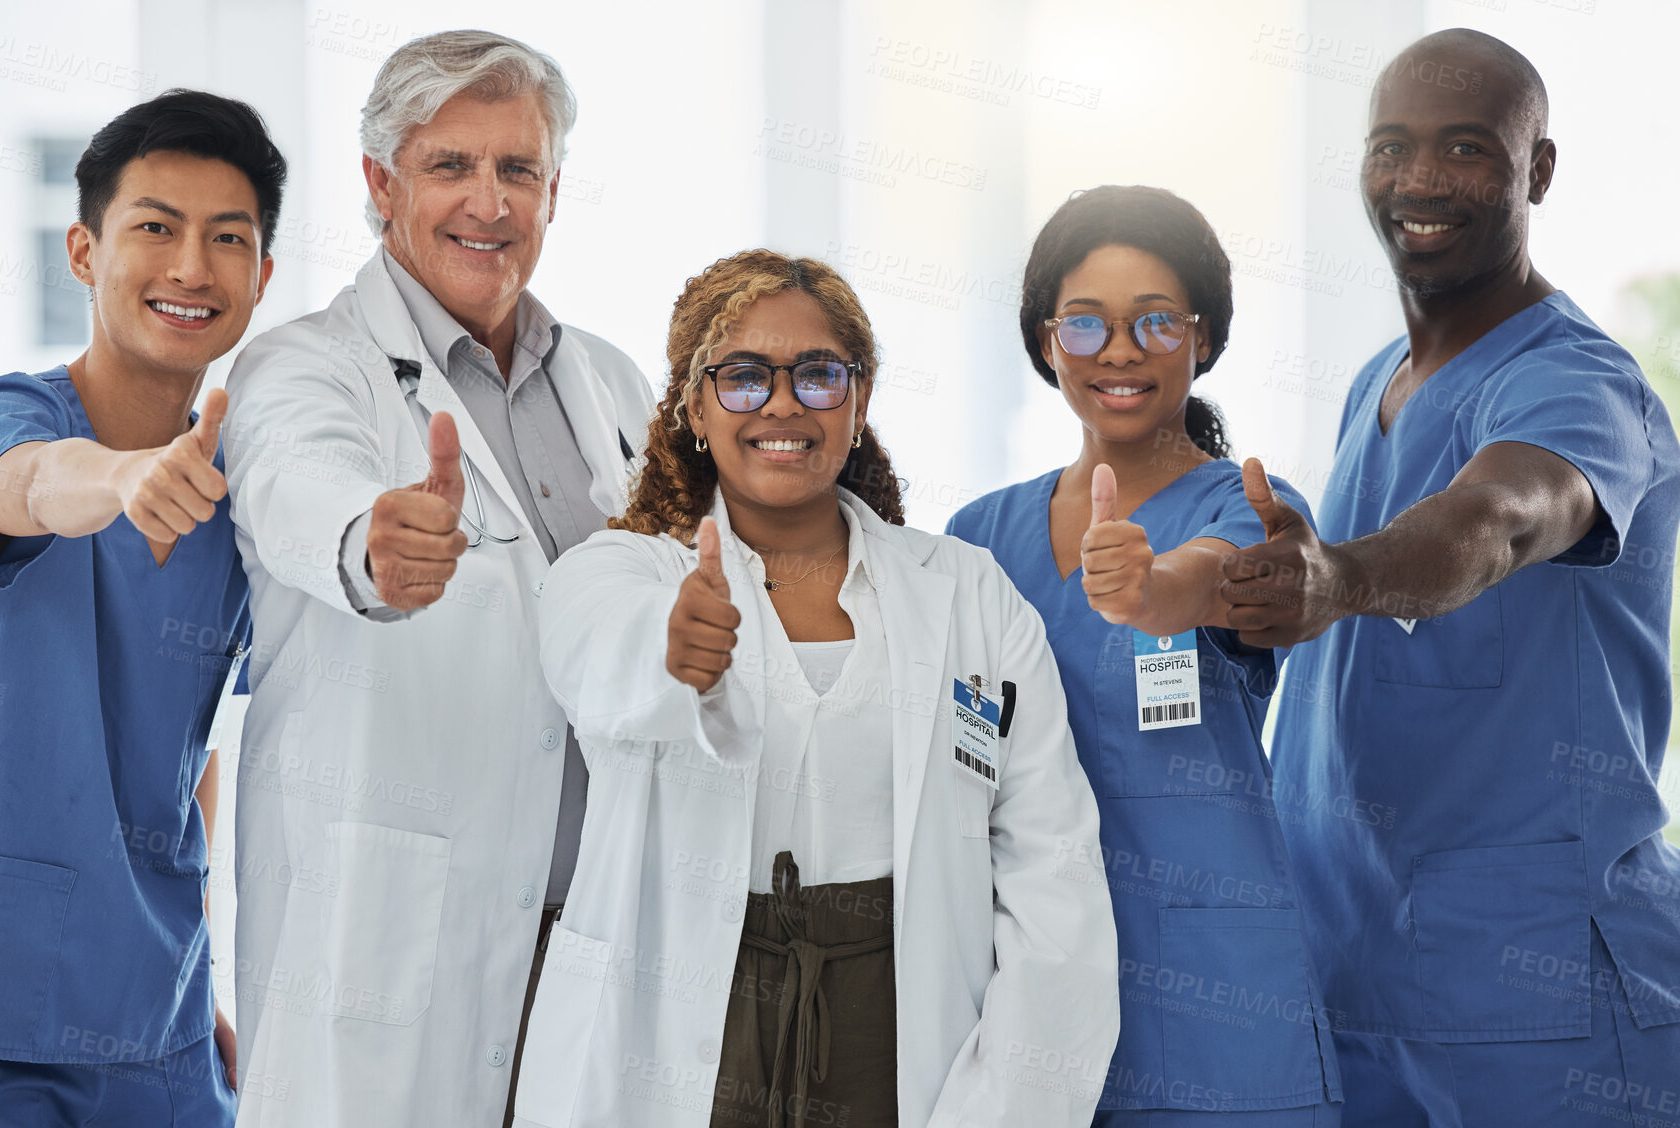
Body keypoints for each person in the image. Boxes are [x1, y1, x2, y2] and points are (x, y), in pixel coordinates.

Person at [511, 249, 1119, 1128]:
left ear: (860, 401)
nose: (785, 404)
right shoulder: (626, 574)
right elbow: (590, 652)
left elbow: (1052, 874)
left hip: (895, 1027)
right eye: (745, 376)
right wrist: (674, 647)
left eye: (820, 375)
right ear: (694, 406)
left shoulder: (969, 592)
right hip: (689, 1022)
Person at [1224, 29, 1680, 1126]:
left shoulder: (1573, 383)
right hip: (1358, 978)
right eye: (1391, 147)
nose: (1420, 181)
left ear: (1536, 171)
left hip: (1540, 1003)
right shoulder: (1379, 381)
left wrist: (1337, 576)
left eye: (1467, 148)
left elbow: (1496, 521)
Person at [221, 30, 653, 1127]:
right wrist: (374, 543)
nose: (488, 202)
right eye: (450, 166)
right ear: (380, 183)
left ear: (553, 189)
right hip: (393, 933)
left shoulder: (607, 382)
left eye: (517, 169)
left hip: (594, 930)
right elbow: (296, 489)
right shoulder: (305, 366)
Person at [0, 90, 284, 1125]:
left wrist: (196, 977)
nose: (189, 269)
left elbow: (187, 741)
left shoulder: (239, 493)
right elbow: (27, 484)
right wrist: (119, 481)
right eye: (154, 228)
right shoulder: (4, 418)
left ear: (262, 276)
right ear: (83, 250)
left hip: (154, 1017)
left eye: (227, 239)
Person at [947, 186, 1343, 1125]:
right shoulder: (976, 538)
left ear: (1202, 341)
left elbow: (1213, 577)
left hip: (1216, 1001)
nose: (1120, 351)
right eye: (1086, 325)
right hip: (1027, 992)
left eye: (1157, 321)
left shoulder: (1248, 504)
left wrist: (1145, 589)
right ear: (1047, 344)